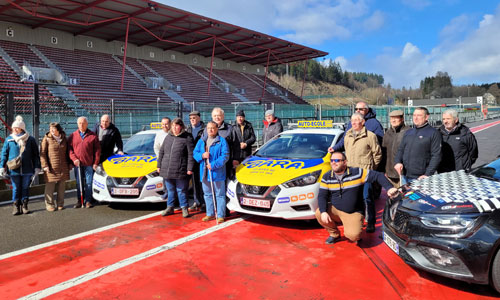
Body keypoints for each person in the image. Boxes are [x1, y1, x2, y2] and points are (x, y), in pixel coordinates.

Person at [316, 152, 398, 244]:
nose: (333, 163)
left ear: (345, 162)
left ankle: (354, 228)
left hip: (353, 212)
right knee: (319, 213)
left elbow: (377, 175)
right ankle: (334, 234)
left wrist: (389, 188)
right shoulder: (327, 177)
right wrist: (323, 212)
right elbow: (322, 195)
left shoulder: (357, 173)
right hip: (335, 209)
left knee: (353, 236)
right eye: (331, 160)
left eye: (337, 160)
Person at [343, 113, 382, 233]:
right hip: (351, 174)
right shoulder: (347, 136)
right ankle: (357, 222)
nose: (353, 123)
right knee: (353, 199)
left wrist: (370, 168)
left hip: (365, 173)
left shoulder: (370, 136)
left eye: (356, 121)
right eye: (352, 121)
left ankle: (371, 222)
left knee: (367, 198)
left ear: (363, 122)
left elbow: (377, 154)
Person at [0, 116, 41, 215]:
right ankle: (16, 206)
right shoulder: (9, 139)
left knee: (25, 187)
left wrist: (37, 166)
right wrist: (2, 166)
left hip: (27, 169)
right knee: (16, 188)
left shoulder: (30, 139)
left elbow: (35, 155)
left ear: (22, 128)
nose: (14, 129)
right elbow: (4, 154)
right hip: (14, 169)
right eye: (13, 128)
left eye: (16, 128)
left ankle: (25, 205)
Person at [157, 118, 195, 218]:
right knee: (170, 190)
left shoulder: (187, 137)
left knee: (181, 190)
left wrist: (190, 168)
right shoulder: (168, 137)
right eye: (173, 126)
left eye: (177, 126)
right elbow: (161, 152)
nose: (174, 128)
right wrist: (159, 165)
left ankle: (184, 208)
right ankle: (170, 207)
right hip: (167, 169)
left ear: (181, 126)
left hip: (181, 169)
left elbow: (191, 154)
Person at [194, 121, 230, 223]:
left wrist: (213, 165)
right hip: (204, 172)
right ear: (206, 129)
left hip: (217, 173)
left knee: (220, 194)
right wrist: (202, 155)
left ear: (217, 129)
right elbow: (195, 153)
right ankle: (210, 213)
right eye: (209, 128)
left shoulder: (221, 141)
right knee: (207, 194)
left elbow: (225, 156)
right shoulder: (202, 141)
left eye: (213, 128)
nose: (210, 130)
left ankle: (220, 215)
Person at [394, 107, 442, 180]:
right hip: (405, 175)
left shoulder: (434, 133)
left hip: (421, 177)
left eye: (419, 115)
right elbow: (401, 149)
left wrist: (427, 174)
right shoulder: (409, 132)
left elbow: (436, 155)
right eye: (414, 115)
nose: (415, 118)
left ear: (426, 117)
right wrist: (397, 162)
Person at [68, 116, 101, 208]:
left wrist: (95, 163)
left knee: (89, 183)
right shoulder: (72, 136)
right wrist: (74, 159)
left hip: (89, 164)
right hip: (78, 165)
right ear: (77, 124)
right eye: (79, 123)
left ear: (87, 124)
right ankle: (80, 200)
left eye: (83, 123)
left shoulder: (93, 136)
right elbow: (70, 150)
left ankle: (88, 201)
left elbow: (97, 151)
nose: (81, 125)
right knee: (79, 183)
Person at [40, 122, 71, 211]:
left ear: (58, 129)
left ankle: (60, 204)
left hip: (63, 166)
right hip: (51, 167)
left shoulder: (64, 138)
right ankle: (49, 205)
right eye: (50, 129)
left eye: (53, 129)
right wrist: (45, 165)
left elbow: (67, 152)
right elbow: (42, 153)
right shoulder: (47, 139)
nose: (51, 131)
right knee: (50, 186)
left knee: (61, 186)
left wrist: (69, 163)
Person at [438, 109, 478, 173]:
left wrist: (465, 166)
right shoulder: (438, 133)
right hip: (443, 172)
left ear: (456, 120)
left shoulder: (466, 133)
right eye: (443, 119)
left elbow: (473, 153)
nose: (445, 121)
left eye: (448, 119)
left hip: (461, 172)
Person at [382, 110, 410, 187]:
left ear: (402, 119)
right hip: (389, 173)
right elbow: (384, 153)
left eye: (396, 118)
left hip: (403, 173)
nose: (393, 120)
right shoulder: (388, 133)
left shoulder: (408, 132)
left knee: (404, 197)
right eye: (391, 118)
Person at [186, 111, 206, 211]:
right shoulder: (188, 130)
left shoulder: (204, 129)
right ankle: (196, 201)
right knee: (194, 182)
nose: (192, 120)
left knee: (202, 181)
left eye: (194, 118)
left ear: (199, 118)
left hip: (202, 159)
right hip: (192, 159)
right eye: (190, 118)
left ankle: (204, 202)